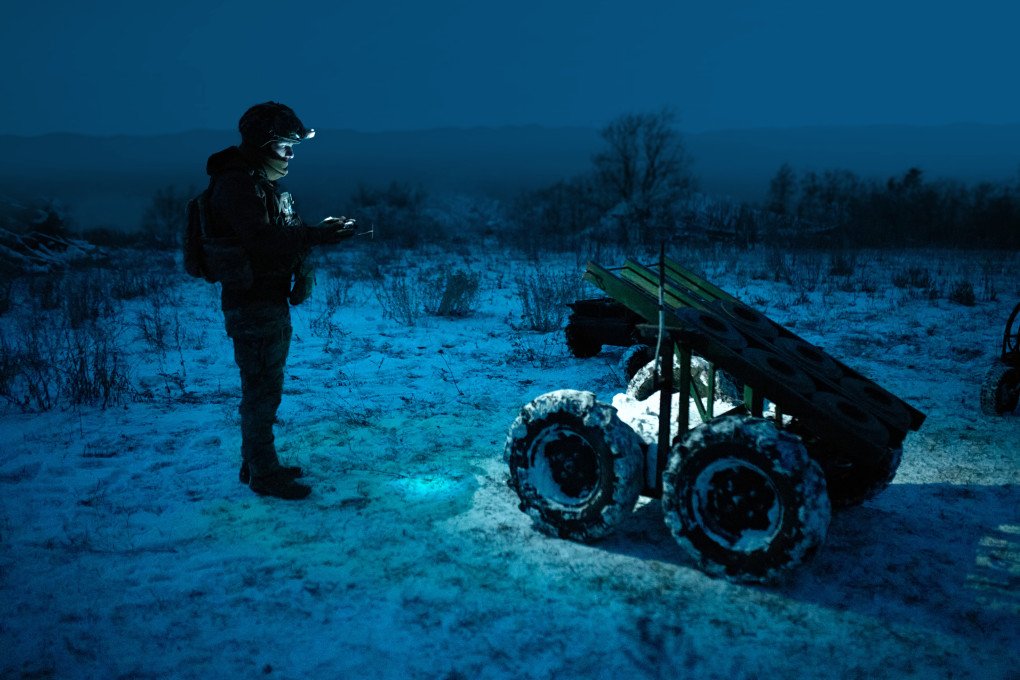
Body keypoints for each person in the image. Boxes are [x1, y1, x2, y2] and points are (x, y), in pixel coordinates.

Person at [203, 101, 356, 500]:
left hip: (265, 302)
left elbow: (273, 237)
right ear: (263, 144)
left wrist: (316, 233)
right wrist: (318, 235)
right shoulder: (238, 185)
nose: (290, 156)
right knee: (261, 389)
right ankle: (264, 474)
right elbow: (264, 242)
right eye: (285, 147)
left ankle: (256, 463)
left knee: (263, 386)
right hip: (253, 304)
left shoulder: (251, 182)